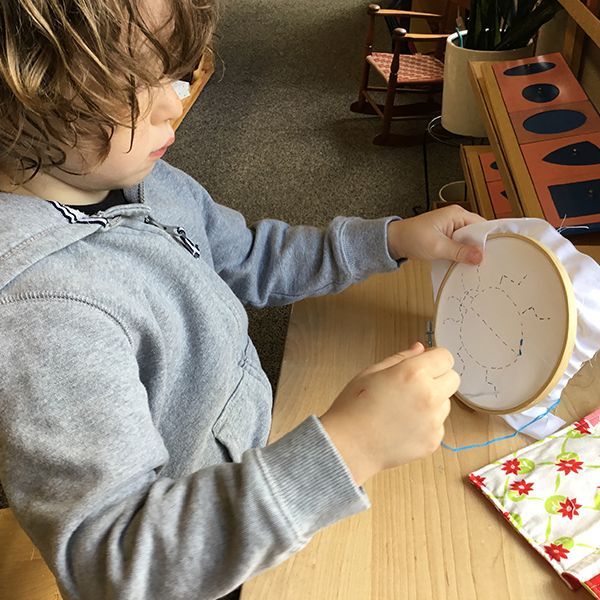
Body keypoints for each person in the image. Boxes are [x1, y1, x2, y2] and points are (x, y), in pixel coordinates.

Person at [0, 1, 484, 598]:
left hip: (250, 479)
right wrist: (350, 448)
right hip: (199, 555)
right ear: (21, 99)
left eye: (172, 72)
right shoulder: (44, 317)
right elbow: (118, 565)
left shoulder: (139, 178)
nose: (175, 101)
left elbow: (249, 257)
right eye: (130, 86)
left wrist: (389, 240)